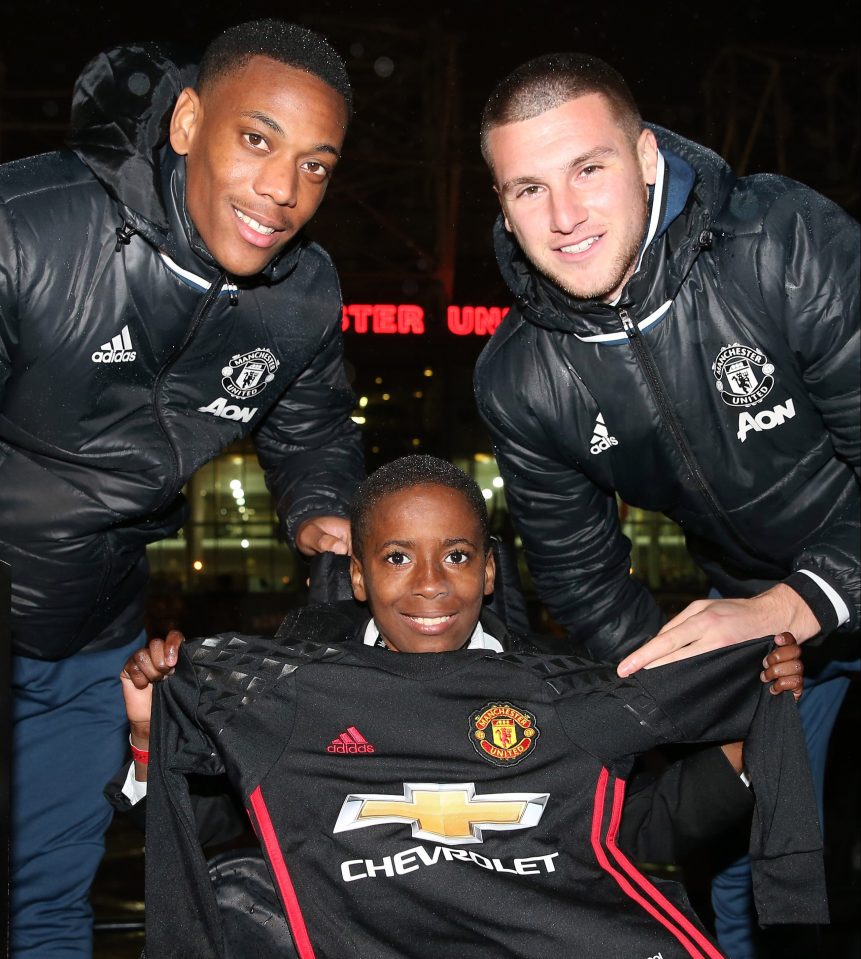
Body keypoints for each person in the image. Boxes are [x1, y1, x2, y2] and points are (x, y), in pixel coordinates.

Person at [120, 455, 819, 959]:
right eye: (397, 558)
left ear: (487, 570)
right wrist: (154, 730)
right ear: (358, 576)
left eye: (455, 555)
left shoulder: (557, 686)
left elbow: (621, 839)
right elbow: (206, 820)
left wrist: (746, 733)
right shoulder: (291, 686)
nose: (430, 584)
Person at [472, 53, 859, 957]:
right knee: (729, 849)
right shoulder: (522, 374)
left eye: (588, 169)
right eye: (527, 189)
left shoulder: (782, 245)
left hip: (808, 586)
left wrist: (794, 601)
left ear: (646, 157)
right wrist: (677, 700)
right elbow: (583, 578)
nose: (563, 218)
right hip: (759, 622)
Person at [0, 19, 363, 958]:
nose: (283, 191)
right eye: (257, 139)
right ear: (188, 121)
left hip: (90, 640)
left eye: (316, 165)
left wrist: (320, 509)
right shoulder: (27, 227)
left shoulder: (301, 294)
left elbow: (313, 427)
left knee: (46, 905)